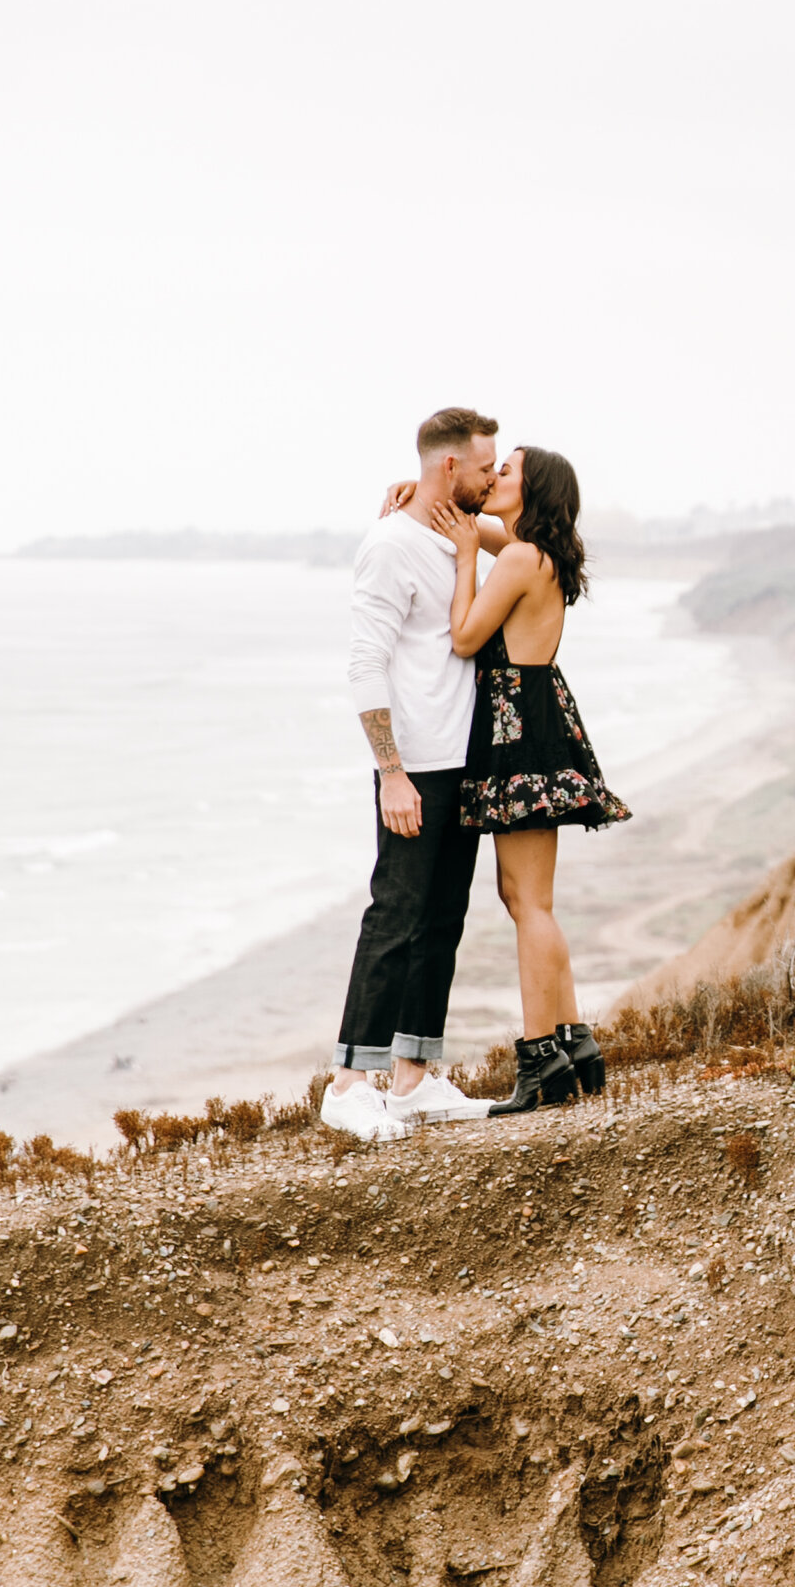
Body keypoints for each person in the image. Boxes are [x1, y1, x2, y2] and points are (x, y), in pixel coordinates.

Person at [321, 408, 507, 1143]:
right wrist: (390, 772)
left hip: (461, 761)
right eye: (486, 467)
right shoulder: (391, 544)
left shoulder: (451, 535)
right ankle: (348, 1084)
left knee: (442, 920)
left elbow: (523, 543)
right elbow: (365, 664)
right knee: (395, 918)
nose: (493, 477)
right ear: (451, 468)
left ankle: (413, 1079)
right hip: (415, 767)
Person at [446, 442, 631, 1109]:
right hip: (536, 721)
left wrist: (466, 559)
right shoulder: (537, 552)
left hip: (518, 730)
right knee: (526, 898)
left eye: (506, 471)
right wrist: (423, 497)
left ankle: (539, 1059)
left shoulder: (520, 558)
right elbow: (474, 523)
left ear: (535, 490)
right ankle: (571, 1039)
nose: (494, 477)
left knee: (530, 903)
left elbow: (465, 636)